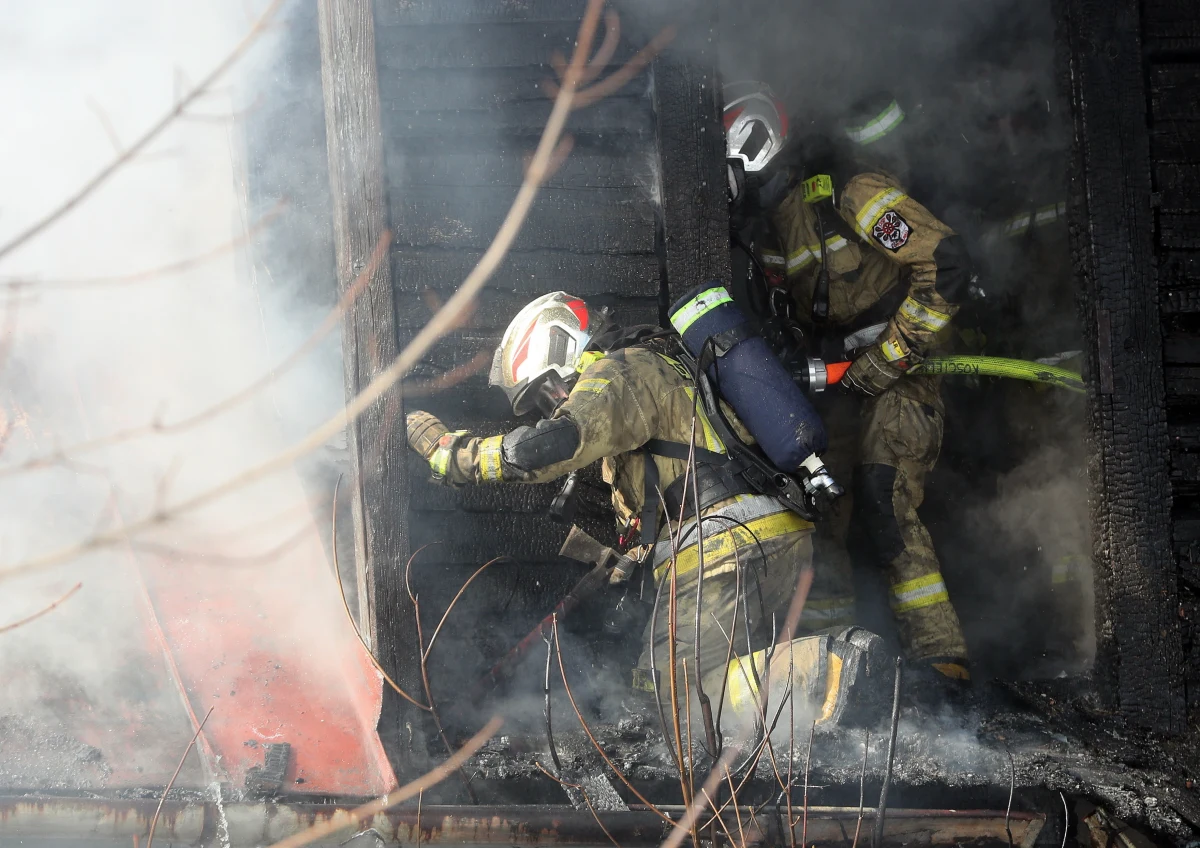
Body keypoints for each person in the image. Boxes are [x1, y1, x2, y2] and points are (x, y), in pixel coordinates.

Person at [404, 292, 861, 716]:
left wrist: (454, 456)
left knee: (676, 700)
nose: (553, 406)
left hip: (722, 553)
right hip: (766, 537)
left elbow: (553, 443)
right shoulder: (662, 367)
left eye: (546, 391)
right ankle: (829, 676)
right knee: (701, 689)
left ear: (563, 348)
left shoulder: (615, 372)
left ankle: (829, 669)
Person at [724, 84, 976, 691]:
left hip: (904, 372)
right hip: (837, 387)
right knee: (816, 511)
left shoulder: (852, 193)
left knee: (884, 496)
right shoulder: (766, 236)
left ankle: (941, 665)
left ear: (756, 142)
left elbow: (947, 264)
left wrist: (890, 356)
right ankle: (829, 672)